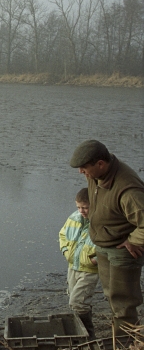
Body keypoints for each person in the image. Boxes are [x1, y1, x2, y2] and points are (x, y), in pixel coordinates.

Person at [70, 139, 144, 337]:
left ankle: (125, 348)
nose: (81, 172)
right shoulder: (97, 175)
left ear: (100, 164)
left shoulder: (128, 190)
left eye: (84, 168)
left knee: (124, 303)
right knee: (111, 297)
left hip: (121, 251)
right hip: (103, 245)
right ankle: (120, 341)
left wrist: (135, 240)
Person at [59, 188, 99, 338]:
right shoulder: (74, 218)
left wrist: (96, 260)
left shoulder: (101, 222)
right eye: (78, 207)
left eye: (85, 207)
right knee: (73, 299)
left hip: (90, 269)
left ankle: (88, 337)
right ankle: (85, 335)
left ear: (94, 205)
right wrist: (65, 251)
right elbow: (63, 235)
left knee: (77, 303)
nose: (81, 211)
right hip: (73, 266)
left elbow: (109, 245)